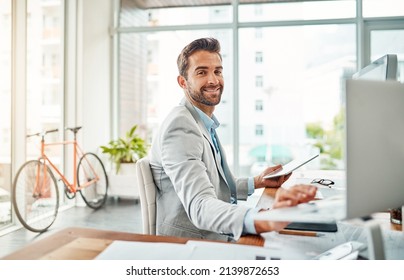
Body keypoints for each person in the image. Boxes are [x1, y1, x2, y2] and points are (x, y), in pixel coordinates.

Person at [149, 37, 317, 242]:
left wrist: (258, 182)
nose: (213, 80)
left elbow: (214, 184)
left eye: (217, 71)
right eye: (201, 72)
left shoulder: (201, 121)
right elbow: (200, 204)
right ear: (183, 82)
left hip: (214, 234)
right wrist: (262, 219)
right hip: (195, 243)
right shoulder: (180, 126)